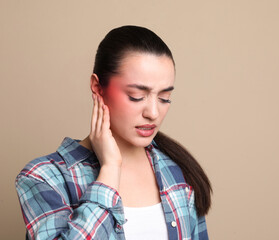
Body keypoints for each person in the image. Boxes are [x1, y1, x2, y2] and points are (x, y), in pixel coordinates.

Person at [15, 25, 212, 240]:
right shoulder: (44, 178)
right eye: (137, 96)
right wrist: (109, 170)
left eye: (164, 98)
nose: (153, 113)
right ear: (98, 88)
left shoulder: (177, 170)